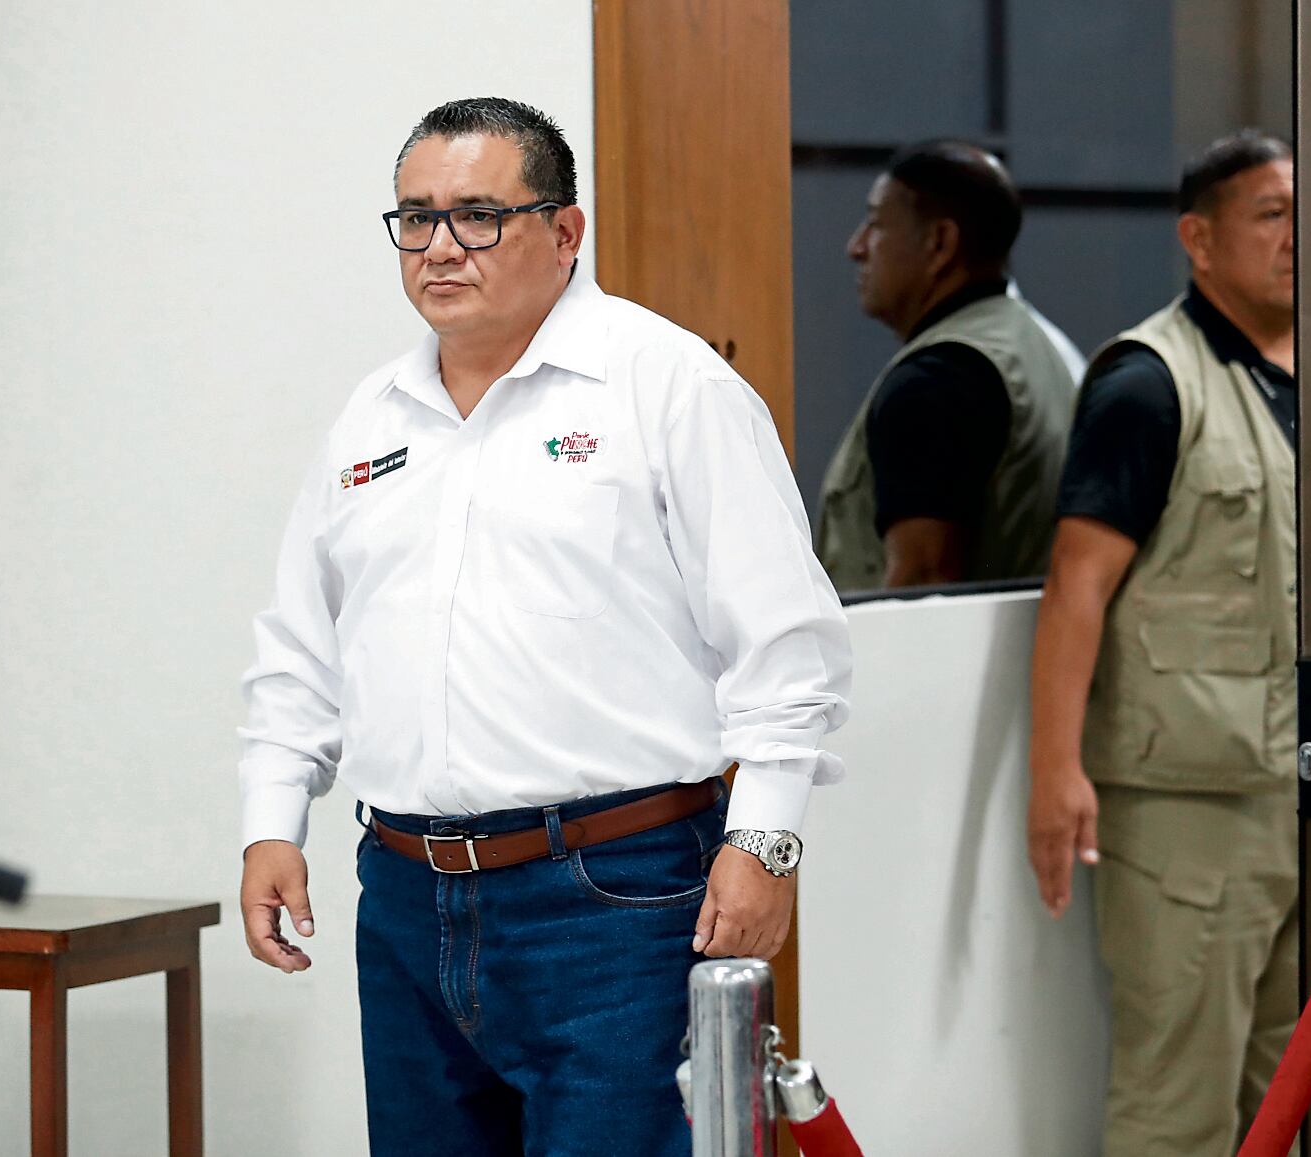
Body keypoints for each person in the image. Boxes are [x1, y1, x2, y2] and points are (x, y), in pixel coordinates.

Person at [236, 97, 851, 1156]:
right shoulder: (371, 418)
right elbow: (302, 646)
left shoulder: (668, 387)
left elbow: (786, 646)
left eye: (478, 216)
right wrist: (270, 819)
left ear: (565, 231)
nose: (440, 247)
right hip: (405, 895)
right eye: (415, 218)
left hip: (613, 897)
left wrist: (763, 841)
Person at [1026, 130, 1297, 1156]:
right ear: (1199, 238)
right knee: (1178, 1104)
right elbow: (1077, 583)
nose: (1297, 236)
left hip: (1302, 793)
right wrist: (1056, 771)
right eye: (1271, 214)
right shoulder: (1150, 381)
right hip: (1187, 808)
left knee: (1294, 1095)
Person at [817, 140, 1076, 591]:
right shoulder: (1038, 346)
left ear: (940, 243)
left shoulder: (937, 381)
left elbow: (921, 585)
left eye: (876, 224)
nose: (855, 247)